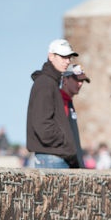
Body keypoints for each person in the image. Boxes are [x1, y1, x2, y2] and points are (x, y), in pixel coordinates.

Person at [26, 38, 82, 168]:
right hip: (52, 156)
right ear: (51, 56)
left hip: (54, 155)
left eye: (69, 57)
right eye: (63, 56)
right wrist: (64, 141)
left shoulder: (50, 82)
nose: (67, 61)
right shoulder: (45, 83)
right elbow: (42, 124)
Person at [59, 64, 91, 168]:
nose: (80, 84)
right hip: (64, 163)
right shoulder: (60, 101)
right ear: (65, 79)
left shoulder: (68, 102)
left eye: (82, 81)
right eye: (77, 80)